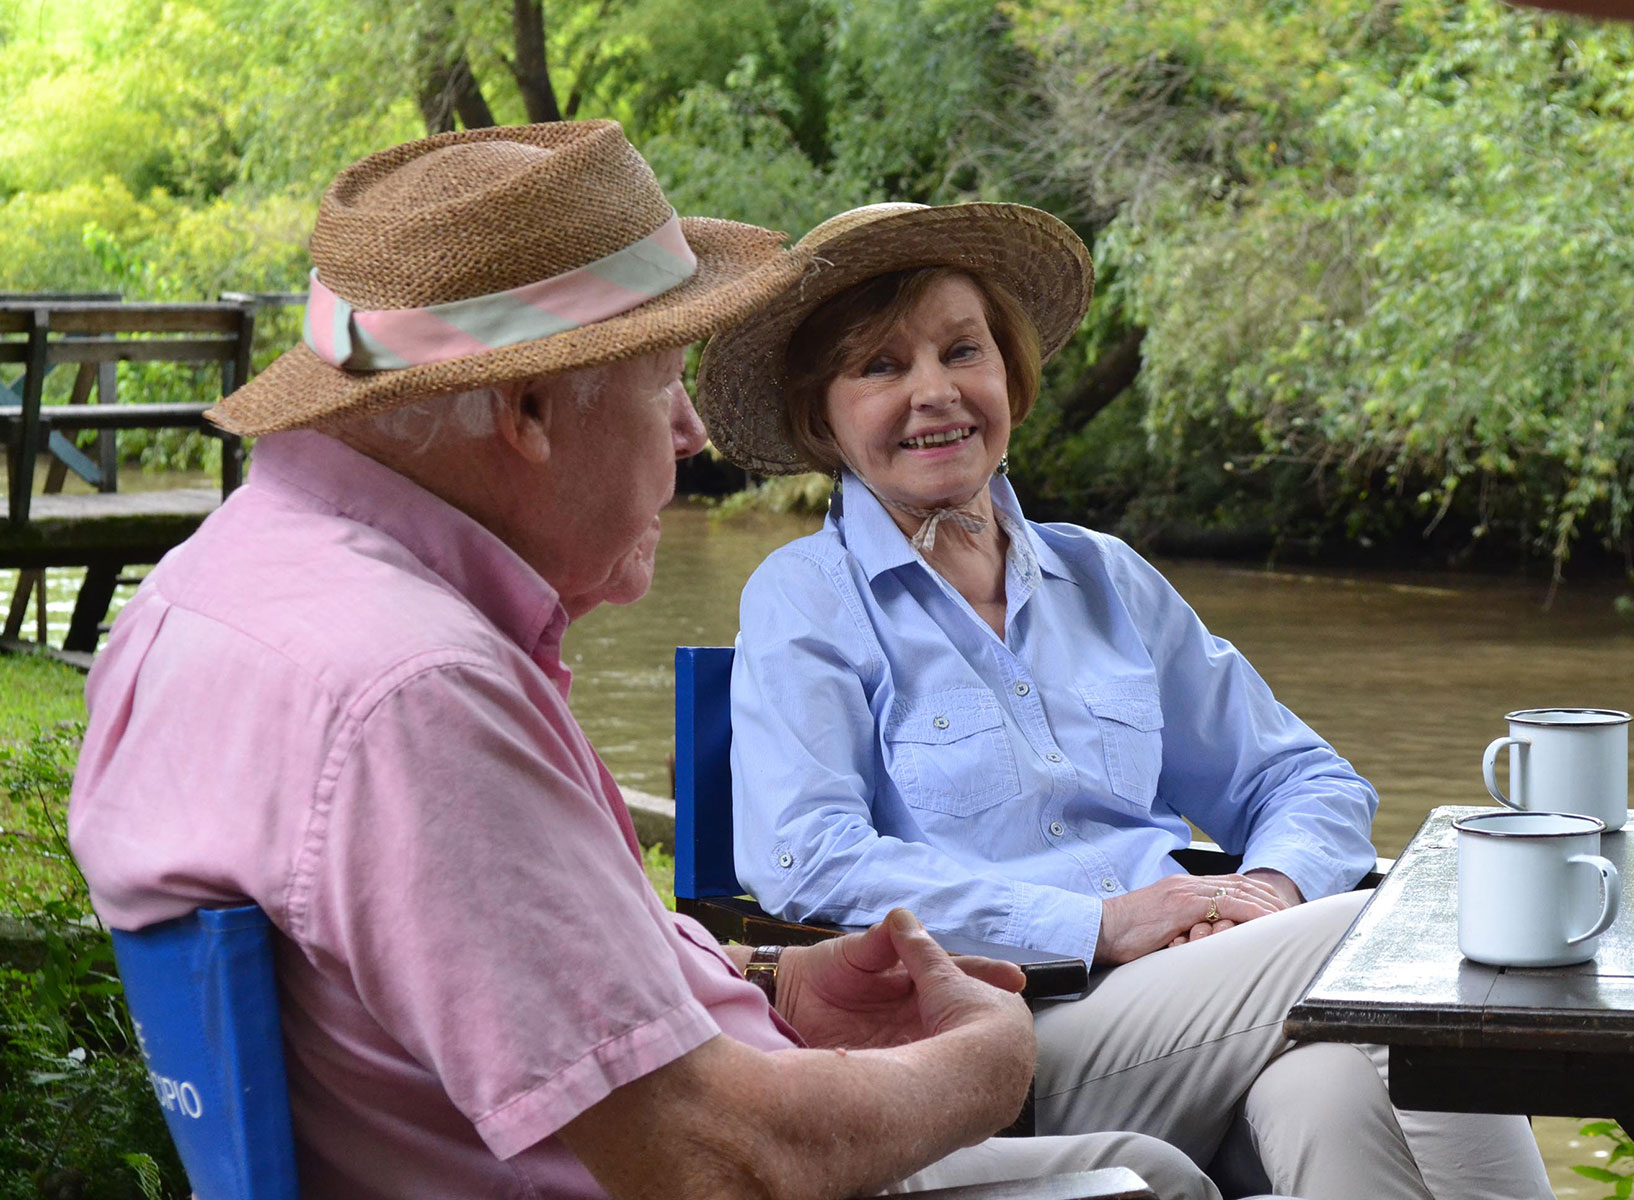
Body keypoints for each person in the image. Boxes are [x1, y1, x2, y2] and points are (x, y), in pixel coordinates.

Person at [66, 123, 1236, 1200]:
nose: (691, 434)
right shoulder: (414, 694)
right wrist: (988, 1061)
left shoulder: (205, 594)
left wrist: (765, 980)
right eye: (663, 380)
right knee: (1159, 1183)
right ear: (527, 412)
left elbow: (458, 970)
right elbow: (710, 1157)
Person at [698, 202, 1558, 1200]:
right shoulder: (807, 596)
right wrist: (1098, 923)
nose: (934, 392)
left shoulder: (1102, 576)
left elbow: (1300, 777)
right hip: (1012, 1039)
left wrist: (1264, 897)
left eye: (961, 350)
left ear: (1009, 375)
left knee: (1336, 1081)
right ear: (823, 415)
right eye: (881, 366)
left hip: (1217, 997)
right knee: (1389, 942)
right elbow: (810, 857)